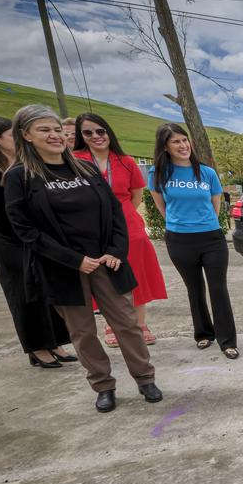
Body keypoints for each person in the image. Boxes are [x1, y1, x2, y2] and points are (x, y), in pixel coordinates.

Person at [4, 104, 162, 412]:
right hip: (63, 268)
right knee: (83, 331)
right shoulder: (20, 178)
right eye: (43, 130)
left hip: (107, 262)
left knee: (127, 323)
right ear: (26, 135)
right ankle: (103, 385)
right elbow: (25, 229)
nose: (53, 136)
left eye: (56, 129)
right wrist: (73, 259)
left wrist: (116, 251)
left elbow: (116, 211)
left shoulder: (85, 169)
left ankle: (145, 378)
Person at [0, 115, 75, 368]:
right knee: (23, 293)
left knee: (44, 289)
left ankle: (55, 343)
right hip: (10, 239)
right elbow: (6, 209)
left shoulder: (24, 162)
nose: (18, 139)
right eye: (12, 135)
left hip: (34, 235)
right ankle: (37, 348)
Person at [74, 112, 167, 347]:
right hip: (92, 225)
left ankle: (140, 323)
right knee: (104, 275)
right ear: (80, 136)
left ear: (108, 132)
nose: (96, 136)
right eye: (88, 132)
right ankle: (111, 324)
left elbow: (136, 195)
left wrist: (119, 215)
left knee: (136, 273)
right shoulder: (75, 160)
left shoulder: (125, 161)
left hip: (127, 222)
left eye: (100, 131)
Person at [148, 123, 238, 359]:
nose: (183, 145)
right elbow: (161, 206)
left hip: (211, 238)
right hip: (179, 240)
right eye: (176, 141)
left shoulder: (206, 172)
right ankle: (203, 333)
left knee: (218, 289)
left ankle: (227, 340)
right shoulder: (158, 173)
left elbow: (215, 203)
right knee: (194, 289)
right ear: (165, 146)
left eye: (184, 140)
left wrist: (204, 223)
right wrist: (179, 224)